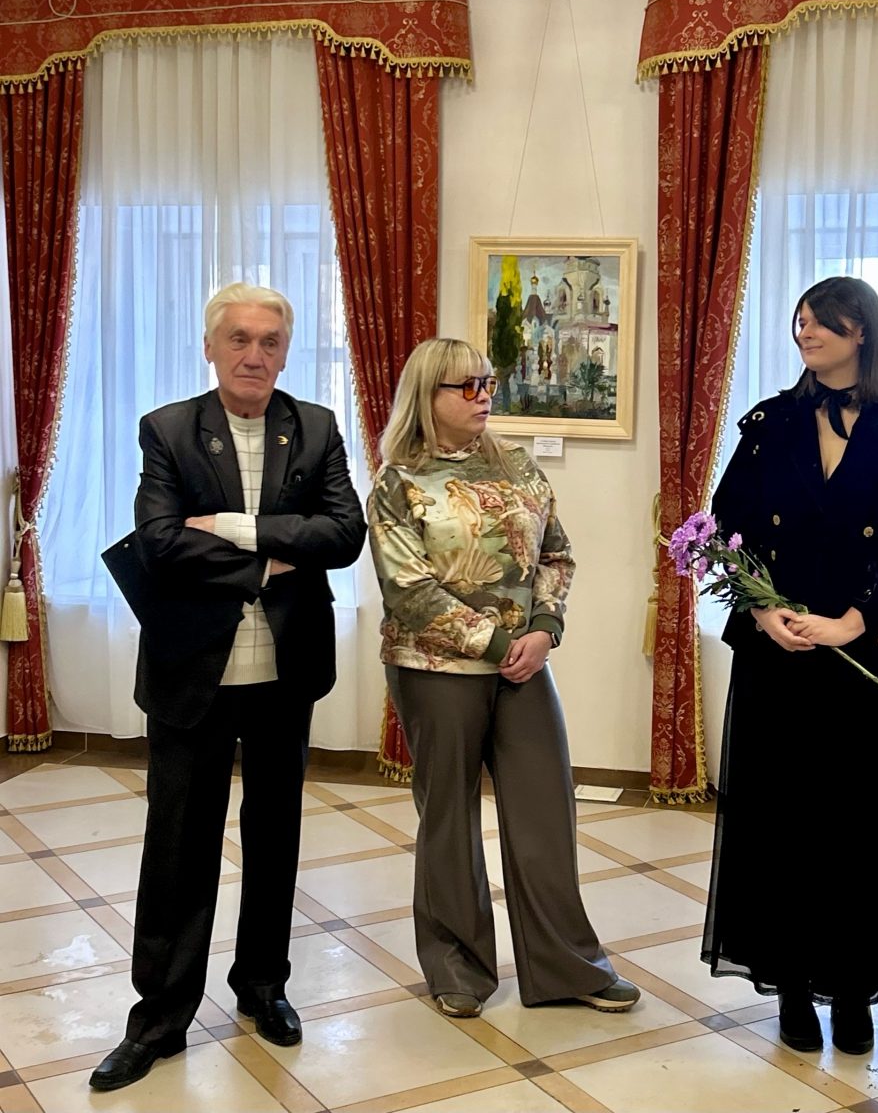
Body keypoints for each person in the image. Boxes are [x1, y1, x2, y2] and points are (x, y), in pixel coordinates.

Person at [90, 283, 366, 1091]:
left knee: (275, 836)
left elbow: (343, 535)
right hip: (192, 670)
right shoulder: (169, 429)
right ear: (210, 347)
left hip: (285, 669)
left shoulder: (315, 427)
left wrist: (237, 529)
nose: (254, 355)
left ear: (286, 351)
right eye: (239, 339)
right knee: (178, 847)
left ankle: (263, 986)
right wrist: (272, 561)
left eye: (270, 341)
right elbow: (159, 541)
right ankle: (159, 1018)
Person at [701, 276, 878, 1055]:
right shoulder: (768, 422)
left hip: (870, 650)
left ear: (860, 331)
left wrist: (853, 620)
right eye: (799, 321)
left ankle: (852, 988)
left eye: (821, 323)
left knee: (862, 827)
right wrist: (760, 610)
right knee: (782, 822)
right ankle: (790, 985)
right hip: (779, 655)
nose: (805, 333)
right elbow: (724, 529)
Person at [367, 337, 640, 1018]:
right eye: (465, 386)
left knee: (545, 807)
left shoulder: (516, 464)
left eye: (487, 382)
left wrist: (545, 628)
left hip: (523, 663)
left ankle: (566, 966)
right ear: (427, 396)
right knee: (448, 818)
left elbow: (556, 554)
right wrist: (497, 643)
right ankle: (458, 968)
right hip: (435, 668)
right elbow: (409, 591)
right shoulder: (397, 482)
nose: (483, 395)